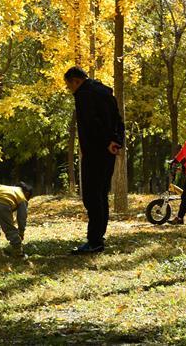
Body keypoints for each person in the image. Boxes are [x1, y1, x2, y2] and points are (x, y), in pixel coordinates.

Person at [64, 66, 124, 254]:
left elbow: (92, 123)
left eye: (69, 86)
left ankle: (95, 240)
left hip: (95, 150)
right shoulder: (104, 91)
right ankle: (99, 236)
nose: (70, 90)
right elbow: (118, 120)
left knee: (92, 195)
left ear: (76, 81)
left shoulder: (85, 94)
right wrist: (116, 141)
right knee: (101, 194)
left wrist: (106, 141)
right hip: (108, 150)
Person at [0, 183, 33, 254]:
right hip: (3, 205)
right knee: (10, 230)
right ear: (27, 193)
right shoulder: (21, 196)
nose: (27, 199)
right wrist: (21, 232)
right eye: (28, 197)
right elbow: (22, 217)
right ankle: (18, 252)